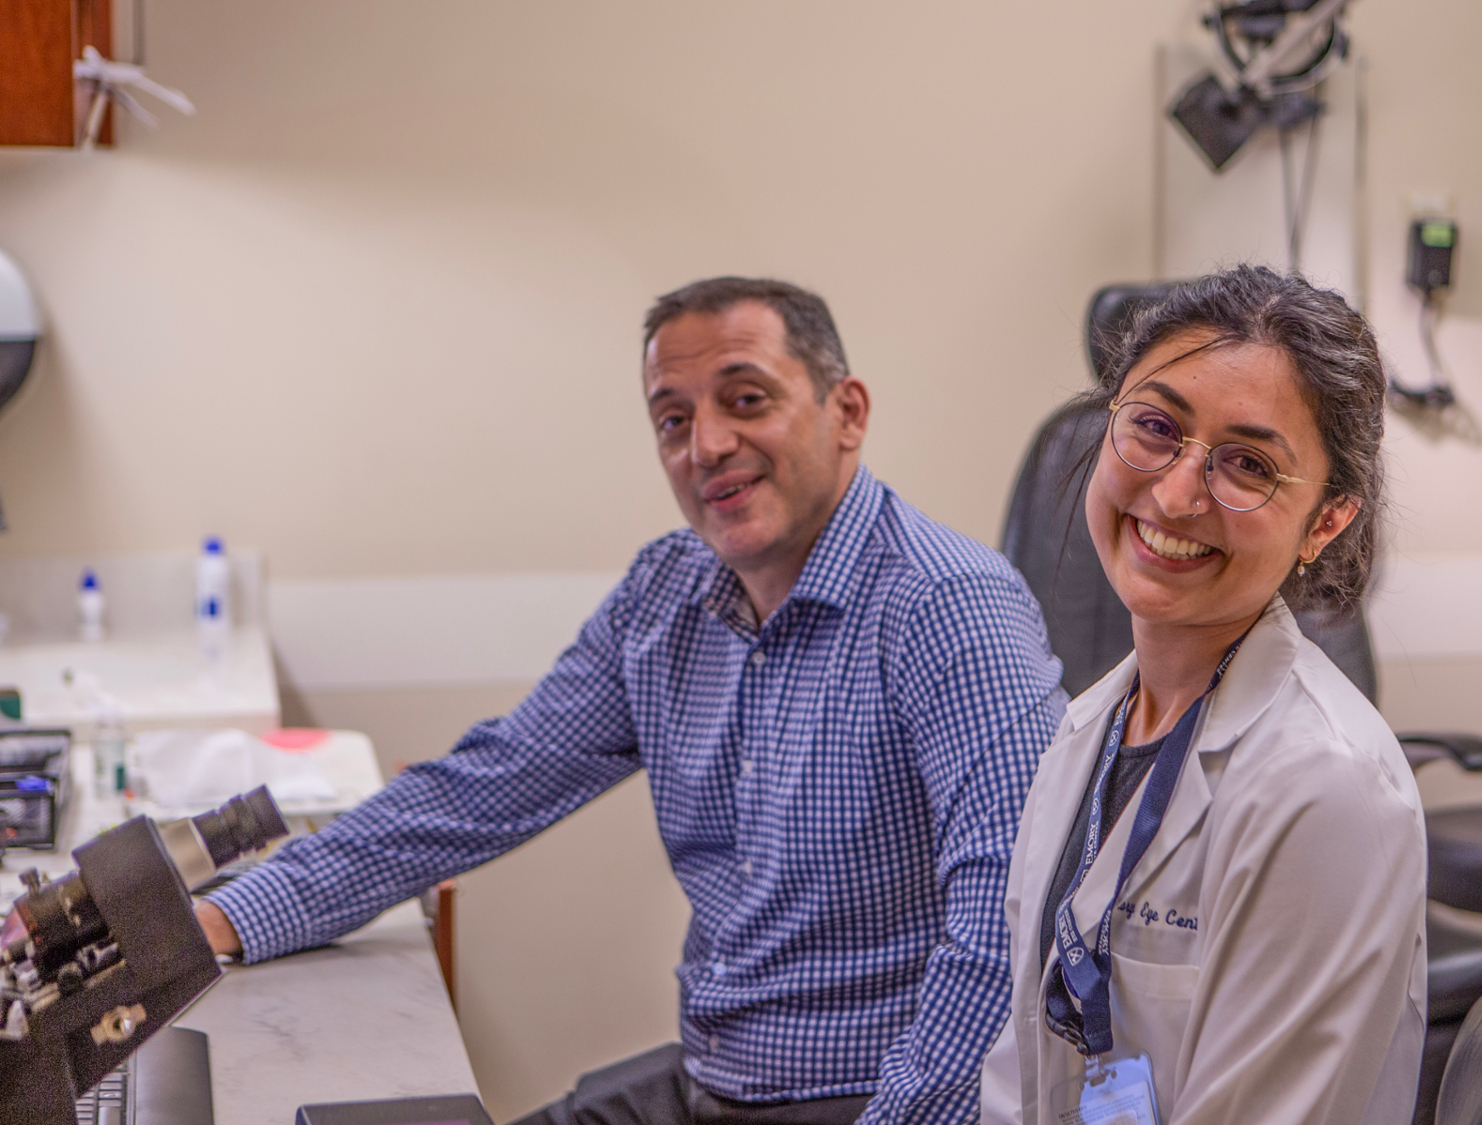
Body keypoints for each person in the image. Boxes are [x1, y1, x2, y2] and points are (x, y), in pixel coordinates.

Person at [196, 277, 1066, 1125]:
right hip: (713, 1078)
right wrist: (228, 914)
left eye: (747, 399)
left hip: (872, 1095)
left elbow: (1009, 926)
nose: (707, 446)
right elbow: (483, 786)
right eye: (673, 420)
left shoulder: (948, 606)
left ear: (848, 412)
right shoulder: (667, 594)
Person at [981, 266, 1426, 1125]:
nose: (1178, 493)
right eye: (1154, 427)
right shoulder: (1084, 733)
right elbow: (1021, 1071)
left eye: (1248, 464)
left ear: (1326, 519)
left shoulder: (1326, 789)